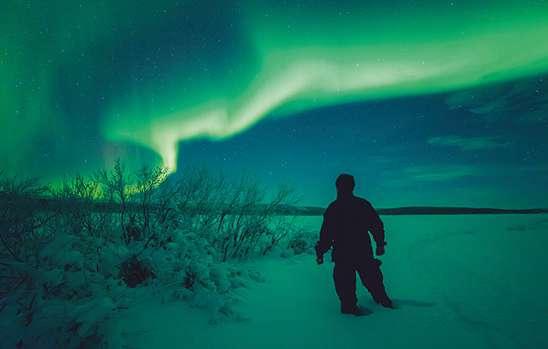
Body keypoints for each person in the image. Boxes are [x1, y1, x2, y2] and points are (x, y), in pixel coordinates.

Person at [315, 173, 393, 315]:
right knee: (370, 279)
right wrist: (380, 243)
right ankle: (380, 301)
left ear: (337, 187)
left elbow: (326, 235)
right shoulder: (361, 204)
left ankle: (359, 305)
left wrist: (320, 251)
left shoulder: (334, 208)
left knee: (350, 283)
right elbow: (376, 225)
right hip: (359, 251)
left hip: (346, 254)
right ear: (353, 187)